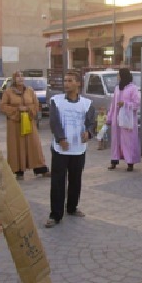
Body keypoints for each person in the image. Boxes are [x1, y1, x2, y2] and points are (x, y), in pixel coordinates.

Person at [45, 70, 95, 228]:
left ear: (78, 83)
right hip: (61, 148)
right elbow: (54, 121)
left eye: (70, 81)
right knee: (58, 181)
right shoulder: (56, 101)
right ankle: (55, 214)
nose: (66, 83)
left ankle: (72, 207)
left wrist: (89, 133)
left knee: (76, 179)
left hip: (78, 148)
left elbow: (91, 123)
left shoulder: (87, 103)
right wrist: (60, 138)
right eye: (65, 80)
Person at [0, 70, 48, 180]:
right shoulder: (8, 92)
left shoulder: (30, 91)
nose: (20, 78)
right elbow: (3, 106)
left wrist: (28, 109)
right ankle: (18, 171)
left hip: (29, 121)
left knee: (34, 144)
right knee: (16, 146)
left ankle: (40, 168)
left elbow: (36, 104)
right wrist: (17, 110)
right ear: (14, 79)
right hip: (15, 123)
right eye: (18, 76)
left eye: (22, 76)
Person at [106, 68, 141, 172]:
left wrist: (125, 104)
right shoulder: (117, 88)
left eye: (119, 74)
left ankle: (130, 163)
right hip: (117, 118)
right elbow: (113, 104)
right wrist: (109, 117)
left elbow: (137, 103)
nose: (117, 76)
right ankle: (114, 161)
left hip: (127, 119)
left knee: (128, 140)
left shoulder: (133, 88)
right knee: (116, 141)